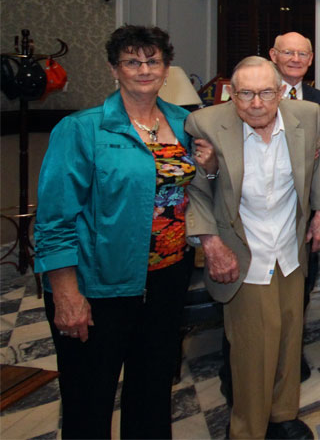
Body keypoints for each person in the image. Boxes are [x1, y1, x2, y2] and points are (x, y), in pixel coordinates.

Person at [34, 25, 211, 439]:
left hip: (167, 279)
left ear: (166, 69)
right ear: (115, 70)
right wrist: (65, 292)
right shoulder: (82, 130)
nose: (144, 69)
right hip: (100, 285)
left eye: (153, 61)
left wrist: (212, 165)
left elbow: (204, 191)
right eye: (132, 61)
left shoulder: (186, 123)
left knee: (152, 393)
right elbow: (55, 219)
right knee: (88, 399)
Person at [185, 56, 320, 440]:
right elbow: (196, 193)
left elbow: (319, 166)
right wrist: (212, 243)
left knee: (288, 334)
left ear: (281, 92)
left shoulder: (308, 115)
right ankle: (247, 430)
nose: (256, 103)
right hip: (243, 252)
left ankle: (283, 415)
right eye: (246, 94)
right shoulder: (206, 125)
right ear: (232, 94)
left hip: (289, 247)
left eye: (266, 93)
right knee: (253, 348)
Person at [271, 31, 320, 381]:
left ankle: (291, 356)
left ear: (310, 60)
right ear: (273, 55)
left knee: (301, 289)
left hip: (303, 211)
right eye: (288, 53)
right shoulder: (256, 93)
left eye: (302, 54)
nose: (295, 59)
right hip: (261, 211)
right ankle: (245, 367)